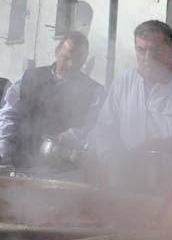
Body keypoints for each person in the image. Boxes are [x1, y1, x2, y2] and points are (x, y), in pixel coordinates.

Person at [91, 20, 172, 193]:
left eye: (155, 50)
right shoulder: (124, 82)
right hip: (131, 187)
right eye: (141, 50)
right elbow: (104, 129)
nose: (147, 58)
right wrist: (111, 157)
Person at [0, 31, 103, 168]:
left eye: (77, 61)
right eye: (66, 58)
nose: (70, 65)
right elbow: (9, 113)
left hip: (64, 170)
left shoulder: (94, 91)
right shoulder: (29, 77)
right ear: (57, 51)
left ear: (84, 61)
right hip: (20, 162)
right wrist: (4, 144)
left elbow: (95, 126)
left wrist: (66, 137)